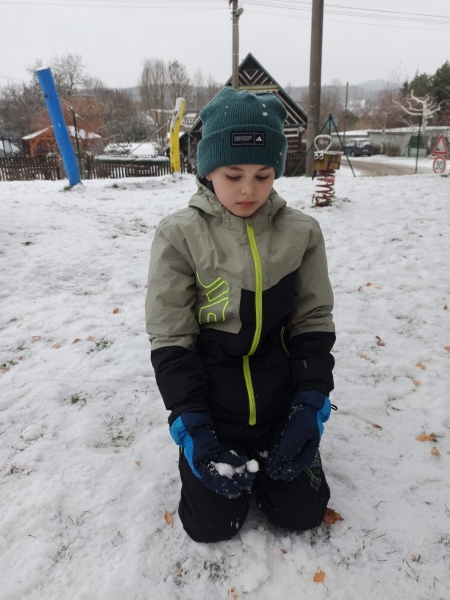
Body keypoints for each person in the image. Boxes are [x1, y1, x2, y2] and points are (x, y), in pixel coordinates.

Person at [145, 87, 336, 543]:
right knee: (210, 526)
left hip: (281, 405)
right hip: (214, 408)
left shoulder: (302, 233)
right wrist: (192, 422)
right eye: (233, 175)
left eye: (263, 175)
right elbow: (171, 334)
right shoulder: (179, 235)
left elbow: (312, 320)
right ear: (208, 170)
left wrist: (310, 403)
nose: (249, 188)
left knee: (301, 513)